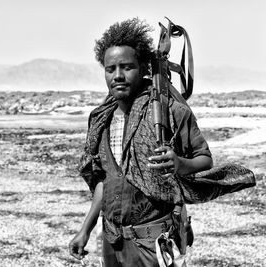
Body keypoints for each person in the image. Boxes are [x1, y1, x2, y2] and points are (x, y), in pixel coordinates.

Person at [68, 18, 214, 267]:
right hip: (112, 241)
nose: (118, 76)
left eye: (127, 67)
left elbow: (205, 159)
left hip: (153, 242)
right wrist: (86, 229)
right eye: (110, 69)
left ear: (144, 67)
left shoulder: (169, 112)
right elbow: (106, 180)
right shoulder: (102, 119)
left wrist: (179, 163)